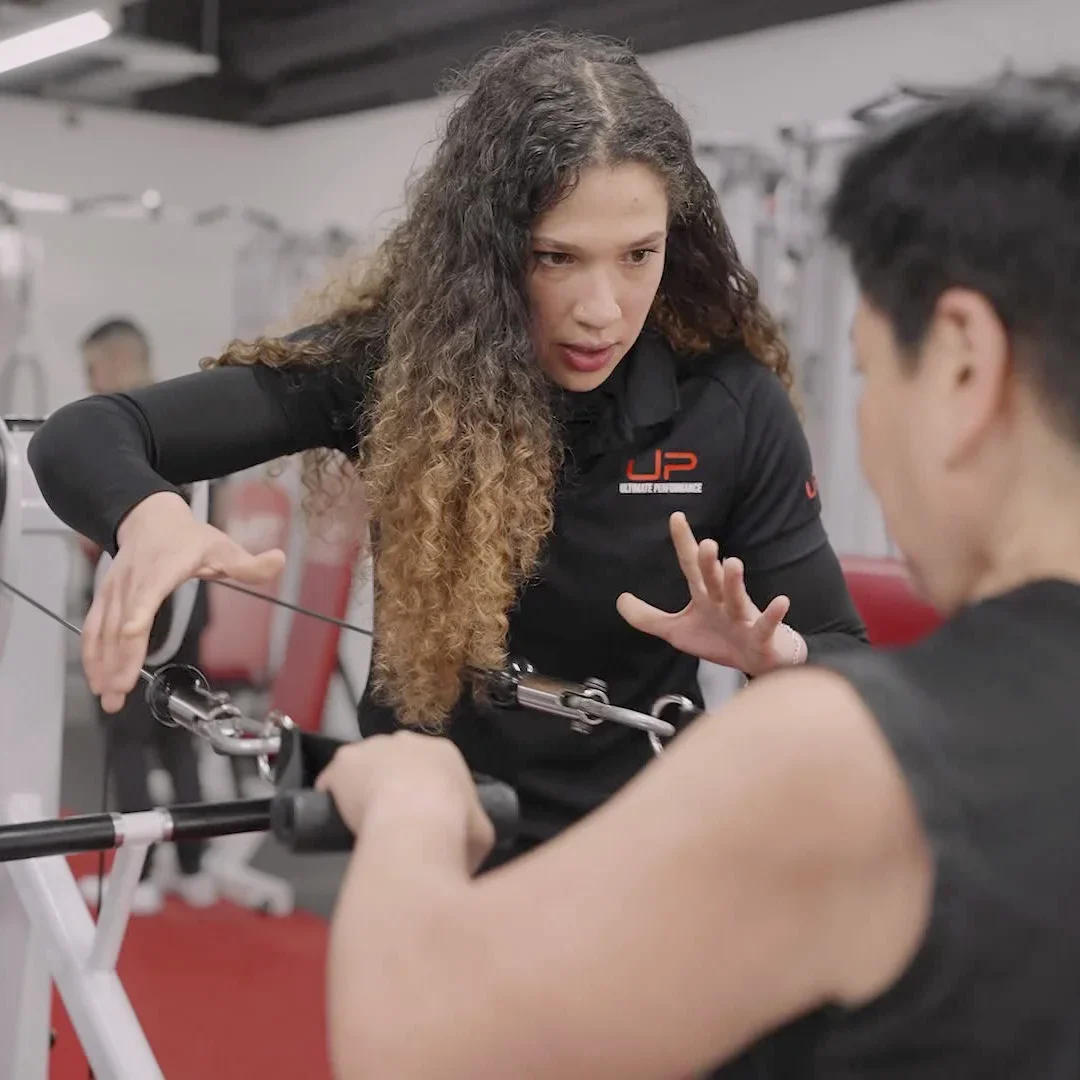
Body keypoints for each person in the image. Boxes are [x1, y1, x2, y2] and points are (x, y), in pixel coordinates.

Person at [304, 74, 1080, 1078]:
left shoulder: (846, 758)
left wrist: (410, 797)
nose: (870, 430)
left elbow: (414, 1043)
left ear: (966, 367)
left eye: (873, 371)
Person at [27, 30, 867, 864]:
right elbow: (84, 434)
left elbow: (843, 657)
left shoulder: (729, 404)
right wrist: (149, 516)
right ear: (490, 253)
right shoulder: (395, 367)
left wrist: (778, 655)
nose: (603, 308)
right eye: (557, 258)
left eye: (637, 256)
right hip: (428, 852)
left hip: (639, 864)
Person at [75, 318, 218, 913]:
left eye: (90, 368)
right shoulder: (187, 417)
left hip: (142, 601)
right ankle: (190, 868)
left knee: (128, 737)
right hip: (186, 602)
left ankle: (136, 880)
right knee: (177, 735)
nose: (88, 381)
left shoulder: (119, 424)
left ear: (110, 361)